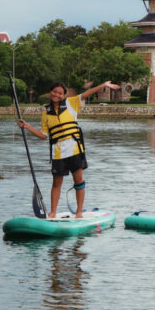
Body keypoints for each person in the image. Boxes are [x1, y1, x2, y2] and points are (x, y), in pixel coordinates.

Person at [17, 80, 119, 219]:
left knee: (78, 180)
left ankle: (79, 213)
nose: (56, 95)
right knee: (56, 183)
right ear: (50, 92)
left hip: (75, 150)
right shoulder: (46, 113)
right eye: (54, 92)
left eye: (60, 93)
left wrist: (103, 86)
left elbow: (86, 93)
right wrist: (27, 126)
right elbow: (43, 135)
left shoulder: (72, 103)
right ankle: (52, 212)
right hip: (58, 153)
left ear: (64, 95)